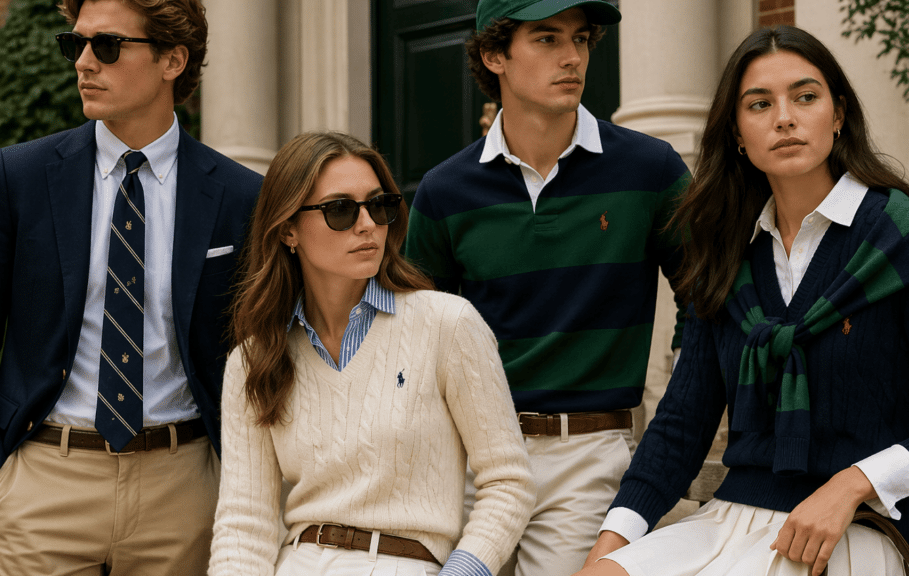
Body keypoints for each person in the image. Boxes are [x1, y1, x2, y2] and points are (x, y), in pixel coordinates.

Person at [576, 25, 909, 576]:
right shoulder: (729, 253)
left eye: (805, 97)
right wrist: (611, 543)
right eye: (759, 105)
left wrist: (853, 484)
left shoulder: (903, 238)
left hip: (850, 530)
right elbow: (682, 424)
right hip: (730, 523)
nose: (784, 117)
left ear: (837, 115)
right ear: (737, 133)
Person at [405, 1, 692, 574]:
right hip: (471, 454)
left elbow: (708, 303)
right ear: (494, 56)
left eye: (581, 39)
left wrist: (674, 419)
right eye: (547, 39)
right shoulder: (445, 191)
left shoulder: (650, 170)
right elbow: (414, 337)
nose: (573, 57)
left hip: (586, 453)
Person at [0, 0, 261, 573]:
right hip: (46, 479)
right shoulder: (19, 177)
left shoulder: (240, 196)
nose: (84, 63)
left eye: (108, 46)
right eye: (77, 45)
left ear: (172, 59)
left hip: (183, 485)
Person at [208, 131, 535, 576]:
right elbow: (244, 525)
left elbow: (507, 482)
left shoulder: (447, 325)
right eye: (340, 209)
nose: (367, 225)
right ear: (287, 229)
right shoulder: (253, 359)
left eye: (378, 206)